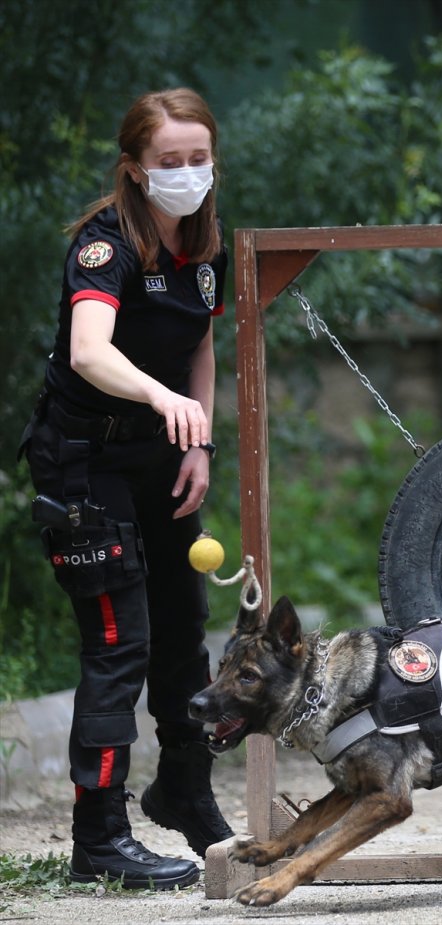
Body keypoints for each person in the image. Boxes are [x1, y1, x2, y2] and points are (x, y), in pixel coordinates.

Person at [18, 88, 234, 890]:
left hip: (161, 457)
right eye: (169, 162)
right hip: (84, 459)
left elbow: (201, 345)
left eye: (198, 159)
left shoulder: (206, 241)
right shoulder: (106, 246)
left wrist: (199, 438)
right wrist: (162, 397)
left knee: (185, 629)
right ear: (137, 169)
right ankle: (98, 839)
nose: (185, 174)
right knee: (119, 645)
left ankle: (184, 790)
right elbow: (88, 351)